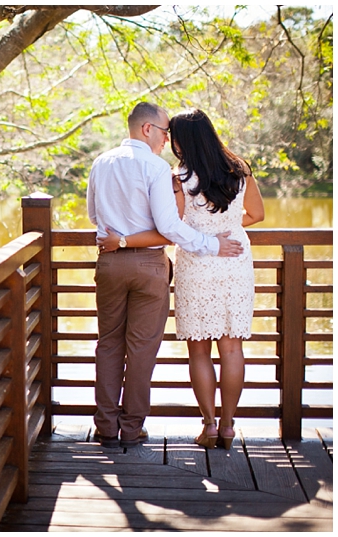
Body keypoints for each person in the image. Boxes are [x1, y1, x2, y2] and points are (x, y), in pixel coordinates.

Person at [98, 108, 265, 450]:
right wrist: (226, 228)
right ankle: (230, 427)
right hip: (234, 258)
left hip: (197, 262)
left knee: (199, 351)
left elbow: (169, 228)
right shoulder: (240, 170)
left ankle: (209, 426)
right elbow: (258, 214)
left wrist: (203, 232)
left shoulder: (178, 177)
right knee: (232, 348)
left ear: (181, 141)